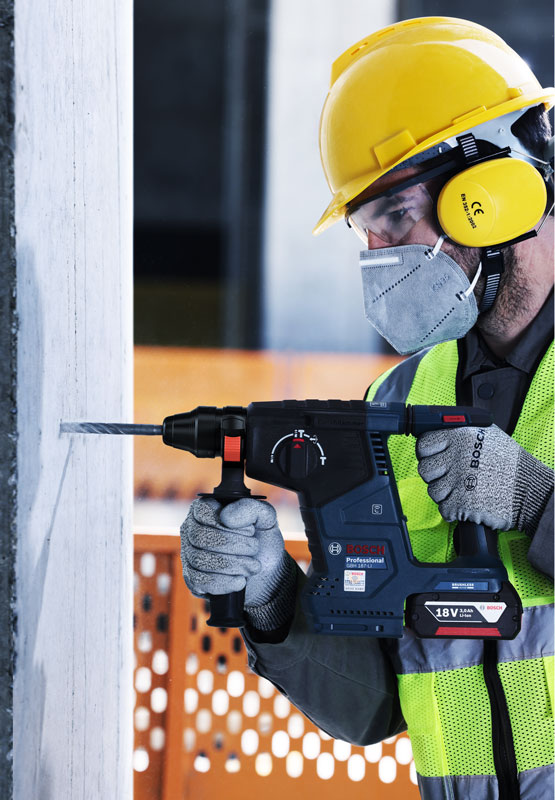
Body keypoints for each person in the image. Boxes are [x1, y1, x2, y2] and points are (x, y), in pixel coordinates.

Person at [180, 17, 554, 800]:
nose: (381, 258)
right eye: (366, 228)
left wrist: (537, 504)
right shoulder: (401, 399)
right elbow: (381, 701)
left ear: (487, 188)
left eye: (392, 216)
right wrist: (273, 596)